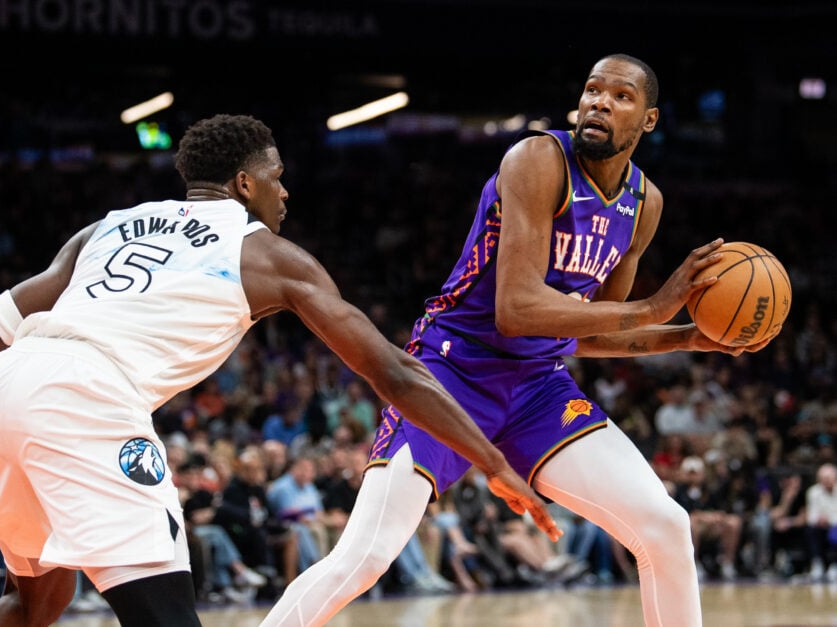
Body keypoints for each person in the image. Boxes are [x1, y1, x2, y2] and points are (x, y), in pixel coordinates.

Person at [0, 114, 559, 627]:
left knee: (35, 601)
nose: (285, 189)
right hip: (86, 397)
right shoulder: (270, 256)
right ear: (245, 183)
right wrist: (495, 463)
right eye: (275, 175)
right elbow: (397, 373)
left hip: (7, 387)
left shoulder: (108, 226)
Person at [259, 53, 777, 627]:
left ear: (649, 121)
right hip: (451, 375)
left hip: (538, 387)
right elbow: (517, 310)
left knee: (666, 525)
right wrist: (656, 307)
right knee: (365, 557)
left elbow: (595, 330)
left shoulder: (643, 204)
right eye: (592, 89)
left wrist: (685, 337)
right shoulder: (538, 159)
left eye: (621, 96)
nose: (600, 101)